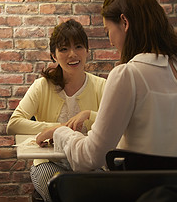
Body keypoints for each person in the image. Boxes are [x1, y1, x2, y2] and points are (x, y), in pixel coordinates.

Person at [36, 0, 177, 172]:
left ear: (124, 22)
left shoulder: (127, 75)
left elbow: (90, 157)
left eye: (108, 31)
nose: (111, 41)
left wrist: (59, 132)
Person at [7, 19, 106, 201]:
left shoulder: (102, 86)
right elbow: (13, 124)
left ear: (87, 51)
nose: (72, 54)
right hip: (48, 163)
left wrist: (88, 116)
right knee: (60, 189)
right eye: (63, 49)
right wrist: (56, 128)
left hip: (89, 162)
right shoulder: (42, 86)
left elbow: (115, 124)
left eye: (78, 46)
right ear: (53, 55)